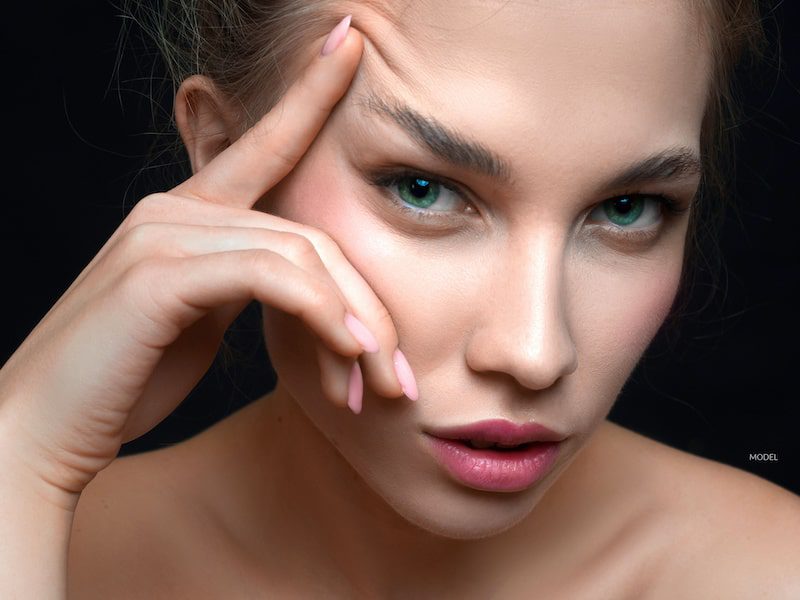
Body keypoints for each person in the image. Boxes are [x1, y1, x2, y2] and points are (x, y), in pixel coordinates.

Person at [1, 0, 799, 597]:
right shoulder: (60, 546)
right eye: (424, 189)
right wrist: (20, 456)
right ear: (225, 163)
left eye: (628, 209)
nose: (535, 352)